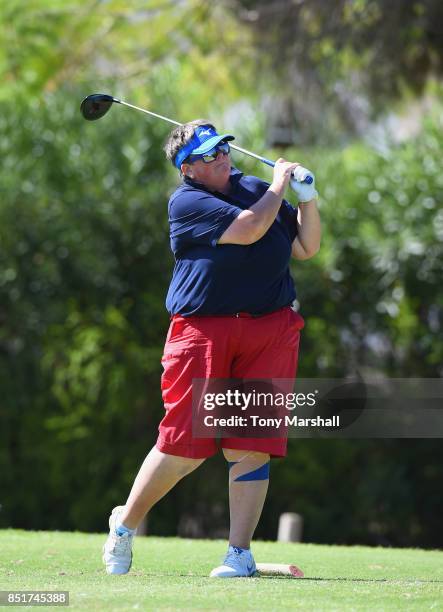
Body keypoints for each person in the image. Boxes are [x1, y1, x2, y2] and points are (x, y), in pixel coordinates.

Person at [103, 120, 321, 577]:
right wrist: (280, 185)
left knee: (253, 441)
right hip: (204, 331)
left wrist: (307, 199)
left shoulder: (254, 186)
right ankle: (125, 525)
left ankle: (238, 554)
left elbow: (305, 247)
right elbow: (249, 228)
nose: (221, 157)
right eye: (208, 155)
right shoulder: (187, 201)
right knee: (185, 446)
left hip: (271, 328)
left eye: (222, 148)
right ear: (188, 169)